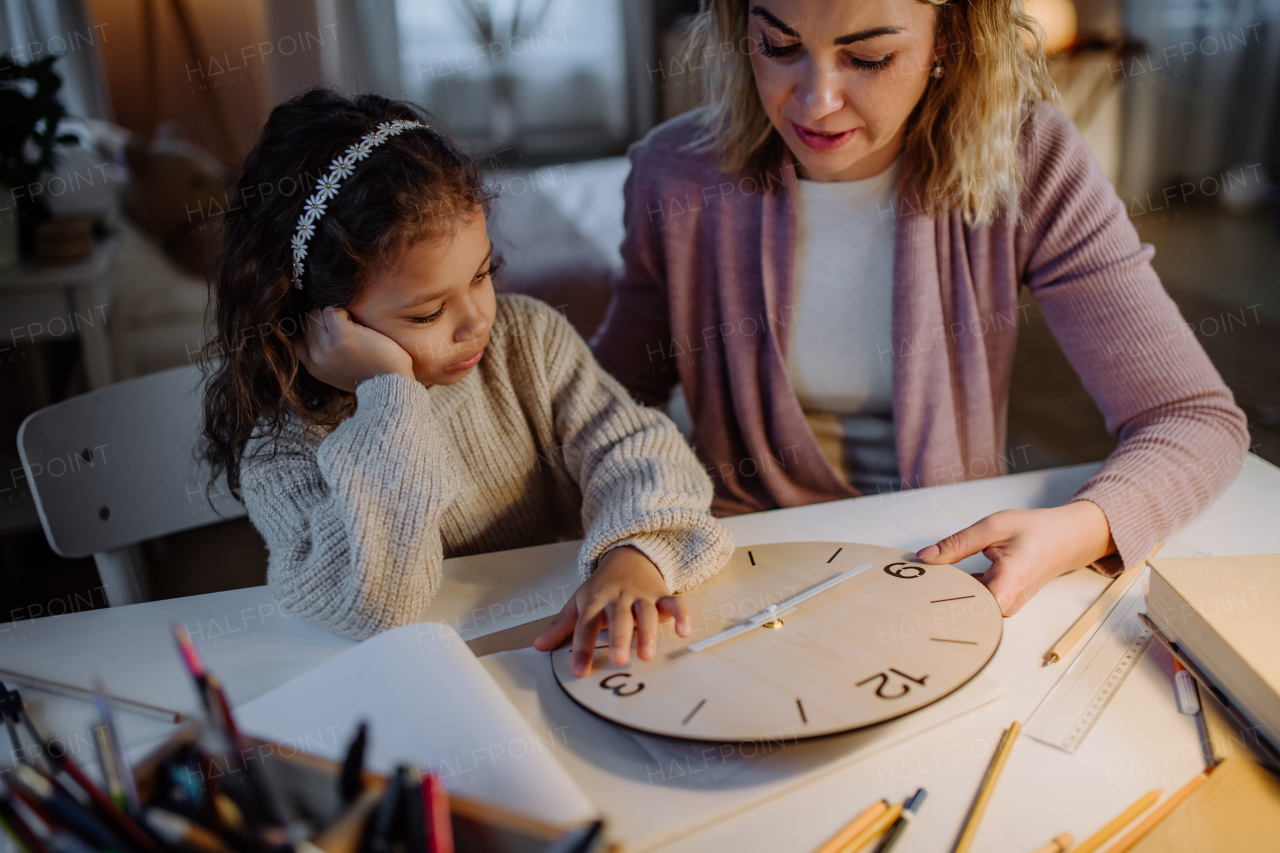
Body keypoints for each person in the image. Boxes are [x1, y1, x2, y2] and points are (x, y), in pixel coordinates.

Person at [590, 0, 1249, 614]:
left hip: (943, 561)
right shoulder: (674, 175)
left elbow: (1193, 419)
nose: (817, 102)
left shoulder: (1027, 159)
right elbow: (608, 412)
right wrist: (636, 538)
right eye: (778, 45)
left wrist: (1076, 530)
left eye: (869, 58)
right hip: (740, 567)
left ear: (949, 35)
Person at [199, 89, 733, 675]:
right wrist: (390, 396)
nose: (478, 320)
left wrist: (633, 555)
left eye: (484, 274)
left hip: (566, 649)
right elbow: (374, 603)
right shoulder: (284, 450)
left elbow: (637, 450)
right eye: (428, 314)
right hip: (425, 679)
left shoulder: (528, 342)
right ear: (317, 318)